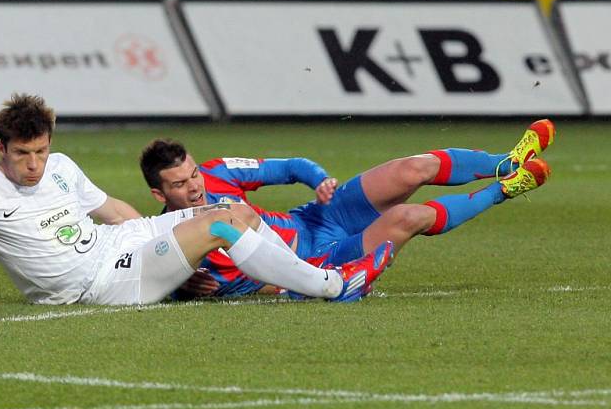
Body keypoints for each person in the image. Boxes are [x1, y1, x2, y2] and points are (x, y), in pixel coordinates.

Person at [0, 93, 394, 307]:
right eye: (22, 154)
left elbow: (116, 213)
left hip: (120, 246)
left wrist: (168, 248)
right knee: (219, 227)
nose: (34, 164)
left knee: (236, 212)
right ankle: (329, 286)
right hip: (98, 285)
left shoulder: (62, 167)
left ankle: (299, 283)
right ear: (0, 147)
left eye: (41, 151)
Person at [139, 120, 554, 297]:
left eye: (193, 174)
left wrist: (318, 179)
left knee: (411, 170)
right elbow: (148, 280)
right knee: (408, 217)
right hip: (319, 261)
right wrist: (181, 285)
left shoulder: (217, 173)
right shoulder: (173, 241)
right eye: (180, 184)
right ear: (160, 195)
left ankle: (505, 162)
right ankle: (504, 190)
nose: (195, 187)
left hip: (317, 217)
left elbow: (290, 166)